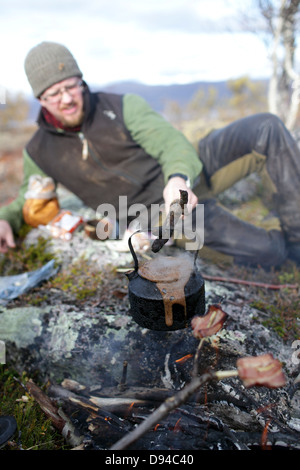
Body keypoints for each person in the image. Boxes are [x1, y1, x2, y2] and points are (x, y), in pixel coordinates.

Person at [0, 41, 299, 268]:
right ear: (40, 99)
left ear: (81, 81)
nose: (66, 99)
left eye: (71, 86)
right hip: (161, 217)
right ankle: (283, 245)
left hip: (188, 172)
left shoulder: (120, 106)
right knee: (270, 253)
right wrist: (4, 220)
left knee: (266, 127)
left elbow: (169, 141)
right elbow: (30, 197)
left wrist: (179, 177)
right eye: (54, 94)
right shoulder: (38, 150)